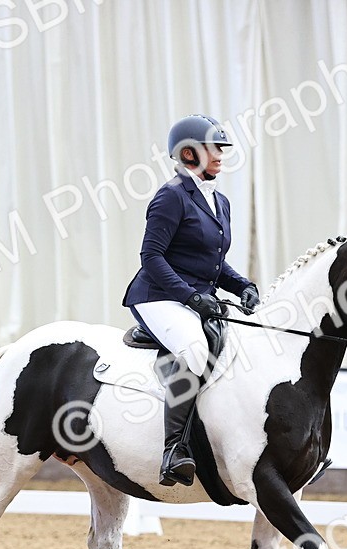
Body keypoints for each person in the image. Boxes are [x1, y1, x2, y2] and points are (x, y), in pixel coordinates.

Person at [122, 114, 260, 487]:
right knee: (196, 349)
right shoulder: (171, 196)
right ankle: (173, 451)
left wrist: (242, 285)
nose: (220, 155)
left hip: (194, 298)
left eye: (221, 149)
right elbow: (152, 257)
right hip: (158, 296)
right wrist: (191, 296)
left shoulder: (220, 201)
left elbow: (212, 261)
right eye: (213, 148)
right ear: (188, 153)